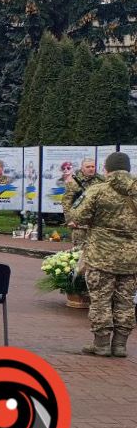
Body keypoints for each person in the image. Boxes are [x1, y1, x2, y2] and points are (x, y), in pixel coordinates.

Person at [66, 152, 136, 358]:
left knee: (100, 300)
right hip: (131, 258)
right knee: (125, 301)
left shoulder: (97, 190)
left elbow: (77, 216)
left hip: (100, 256)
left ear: (107, 169)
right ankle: (121, 345)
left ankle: (102, 344)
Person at [63, 157, 105, 247]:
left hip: (96, 224)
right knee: (79, 251)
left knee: (96, 251)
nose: (91, 169)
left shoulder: (101, 181)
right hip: (79, 224)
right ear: (82, 168)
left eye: (93, 166)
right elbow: (67, 202)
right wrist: (69, 220)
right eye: (88, 167)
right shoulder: (74, 182)